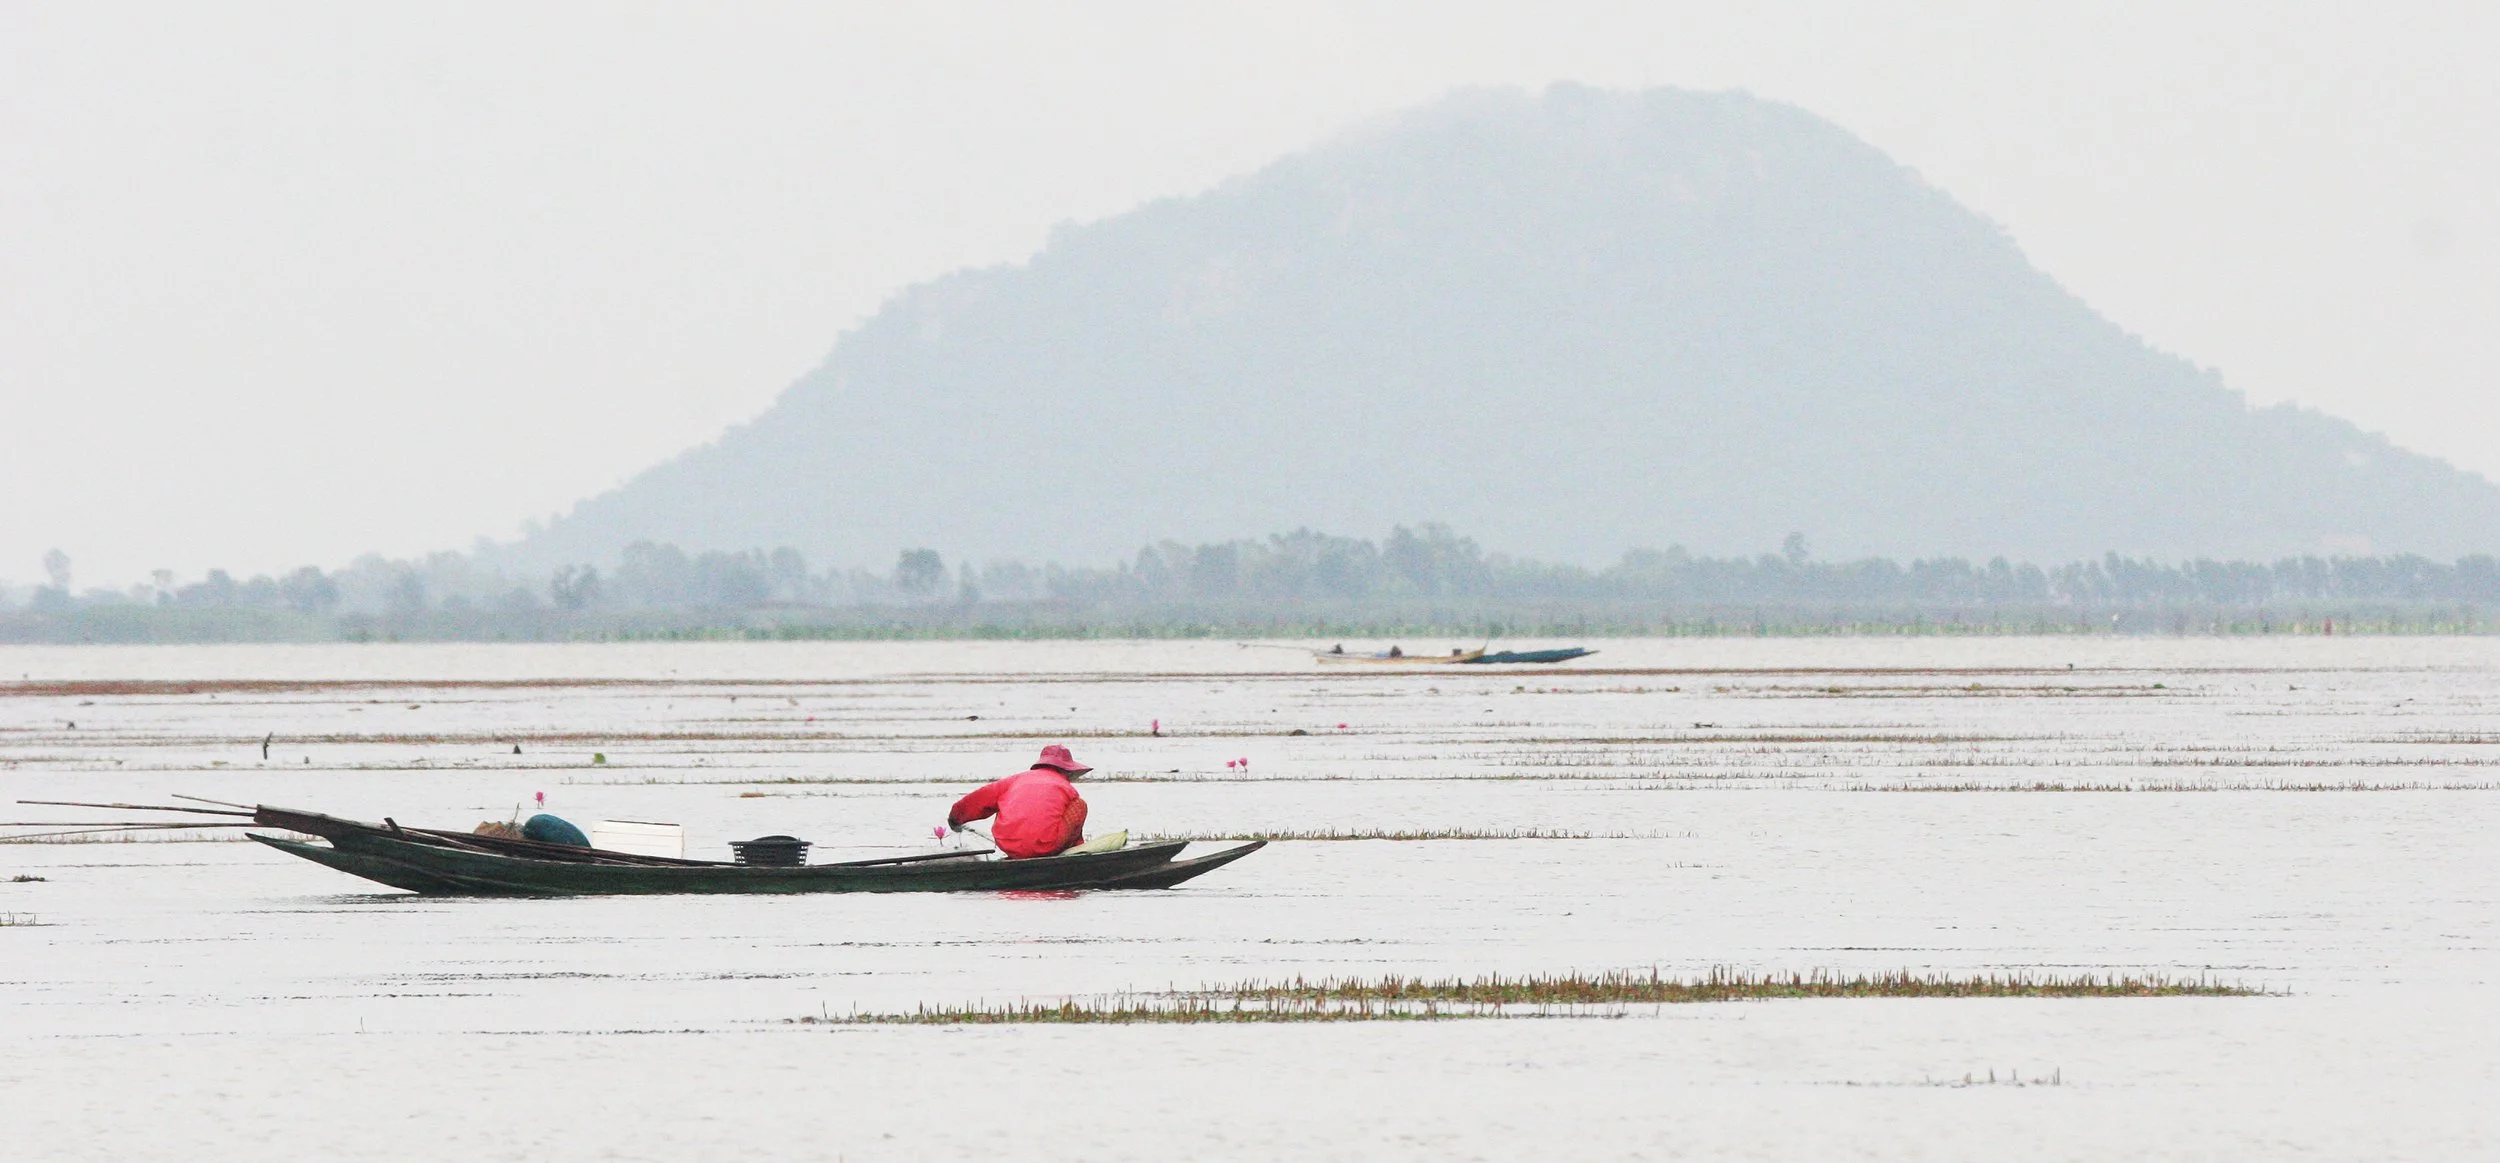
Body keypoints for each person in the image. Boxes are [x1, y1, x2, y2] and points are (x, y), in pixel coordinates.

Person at [946, 744, 1092, 858]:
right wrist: (1079, 847)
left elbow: (976, 801)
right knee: (1079, 805)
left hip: (1010, 847)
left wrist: (955, 818)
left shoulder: (1014, 781)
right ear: (1067, 770)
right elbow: (1074, 829)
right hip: (1046, 846)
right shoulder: (1067, 788)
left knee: (1004, 802)